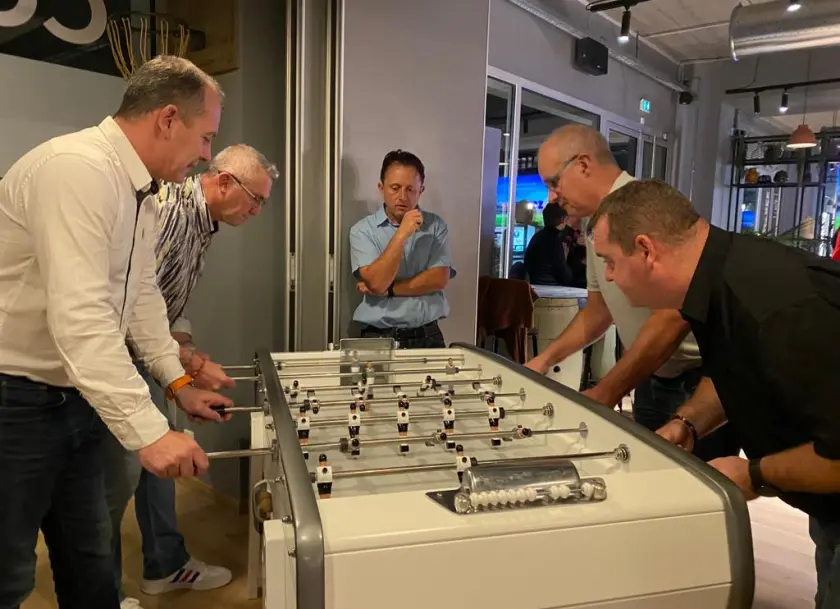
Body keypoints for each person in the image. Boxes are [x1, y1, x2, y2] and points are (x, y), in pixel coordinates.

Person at [0, 55, 235, 609]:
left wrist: (178, 383)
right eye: (206, 137)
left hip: (80, 398)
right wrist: (150, 432)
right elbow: (82, 320)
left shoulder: (141, 191)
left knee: (91, 560)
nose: (207, 155)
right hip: (15, 402)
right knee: (8, 574)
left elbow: (140, 299)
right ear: (168, 119)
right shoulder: (77, 169)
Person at [589, 178, 840, 609]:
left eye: (609, 261)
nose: (608, 276)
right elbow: (738, 374)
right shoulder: (718, 280)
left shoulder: (777, 308)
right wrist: (687, 423)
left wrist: (754, 474)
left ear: (646, 250)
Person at [105, 144, 279, 609]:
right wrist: (189, 366)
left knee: (159, 463)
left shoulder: (202, 224)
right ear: (224, 182)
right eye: (255, 200)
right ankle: (100, 592)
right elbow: (127, 304)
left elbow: (166, 302)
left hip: (146, 354)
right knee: (111, 476)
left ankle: (164, 564)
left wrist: (186, 357)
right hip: (115, 358)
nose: (257, 211)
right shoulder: (171, 212)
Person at [524, 125, 738, 461]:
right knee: (651, 476)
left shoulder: (644, 208)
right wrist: (544, 360)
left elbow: (674, 315)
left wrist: (608, 390)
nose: (552, 196)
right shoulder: (598, 223)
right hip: (650, 377)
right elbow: (599, 309)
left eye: (554, 182)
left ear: (583, 165)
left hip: (698, 383)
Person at [350, 150, 455, 348]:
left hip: (428, 335)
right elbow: (376, 282)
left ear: (420, 190)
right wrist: (401, 234)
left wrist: (389, 290)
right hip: (379, 336)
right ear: (381, 188)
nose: (402, 197)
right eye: (395, 188)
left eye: (410, 189)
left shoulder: (436, 226)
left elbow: (439, 279)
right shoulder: (362, 230)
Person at [524, 202, 585, 288]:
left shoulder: (537, 236)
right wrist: (564, 259)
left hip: (536, 286)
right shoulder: (555, 239)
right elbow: (565, 277)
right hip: (550, 288)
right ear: (563, 219)